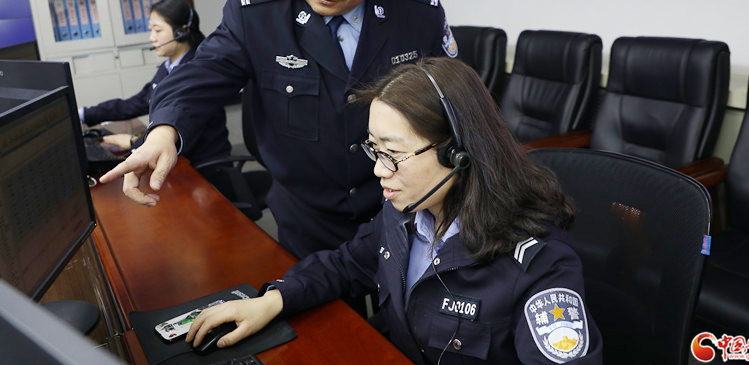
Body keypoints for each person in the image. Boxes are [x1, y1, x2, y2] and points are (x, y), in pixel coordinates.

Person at [100, 0, 458, 259]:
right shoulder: (257, 15)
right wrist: (163, 133)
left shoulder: (418, 13)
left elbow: (456, 103)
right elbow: (196, 79)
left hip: (401, 208)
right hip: (306, 215)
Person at [184, 57, 603, 364]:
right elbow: (347, 264)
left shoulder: (539, 264)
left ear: (457, 153)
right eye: (374, 149)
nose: (378, 170)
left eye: (393, 154)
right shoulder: (406, 212)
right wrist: (273, 300)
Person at [81, 0, 231, 167]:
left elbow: (184, 130)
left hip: (202, 168)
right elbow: (139, 102)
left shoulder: (198, 71)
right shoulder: (168, 67)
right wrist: (85, 114)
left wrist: (134, 141)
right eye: (150, 30)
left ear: (181, 32)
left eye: (157, 30)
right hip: (178, 161)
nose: (152, 37)